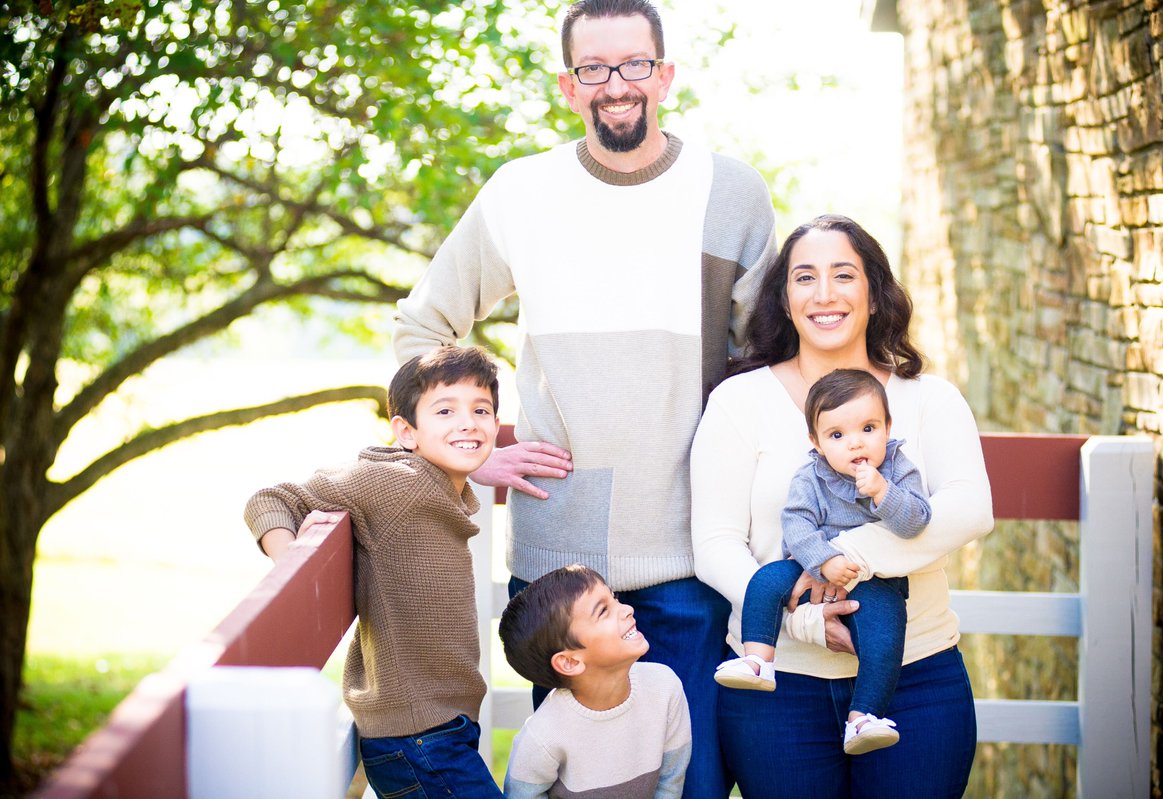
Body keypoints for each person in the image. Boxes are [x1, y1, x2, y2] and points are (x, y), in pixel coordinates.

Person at [392, 2, 775, 795]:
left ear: (664, 73)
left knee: (695, 783)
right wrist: (472, 452)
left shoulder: (730, 192)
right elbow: (422, 320)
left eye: (634, 64)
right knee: (576, 785)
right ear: (570, 87)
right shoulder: (521, 191)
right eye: (594, 70)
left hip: (692, 550)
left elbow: (771, 365)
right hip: (560, 571)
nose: (616, 86)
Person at [691, 214, 994, 798]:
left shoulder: (927, 397)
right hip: (776, 685)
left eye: (843, 275)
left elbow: (970, 509)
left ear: (875, 294)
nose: (824, 294)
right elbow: (715, 544)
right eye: (804, 277)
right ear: (783, 299)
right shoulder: (740, 400)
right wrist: (802, 616)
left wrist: (845, 557)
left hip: (916, 678)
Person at [244, 346, 503, 799]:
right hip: (417, 737)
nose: (468, 422)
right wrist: (295, 569)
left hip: (444, 728)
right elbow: (270, 499)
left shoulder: (446, 491)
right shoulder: (393, 483)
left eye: (481, 410)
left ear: (496, 425)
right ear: (406, 431)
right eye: (445, 410)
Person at [713, 368, 931, 756]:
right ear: (815, 441)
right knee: (764, 582)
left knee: (886, 633)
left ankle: (863, 718)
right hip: (810, 567)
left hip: (877, 582)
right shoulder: (812, 476)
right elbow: (796, 522)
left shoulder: (898, 468)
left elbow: (916, 521)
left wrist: (883, 492)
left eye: (868, 428)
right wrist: (823, 560)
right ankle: (758, 659)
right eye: (837, 435)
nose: (855, 444)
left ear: (888, 427)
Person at [498, 564, 691, 799]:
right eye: (603, 611)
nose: (627, 609)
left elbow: (671, 783)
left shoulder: (665, 688)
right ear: (570, 662)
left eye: (615, 599)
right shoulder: (543, 736)